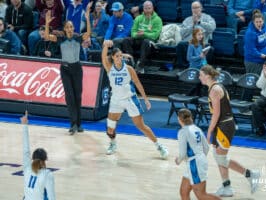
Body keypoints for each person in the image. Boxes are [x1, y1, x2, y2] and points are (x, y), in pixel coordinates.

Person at [199, 65, 260, 197]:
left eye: (201, 75)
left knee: (221, 158)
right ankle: (226, 187)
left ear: (208, 76)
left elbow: (216, 113)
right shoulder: (216, 86)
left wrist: (209, 131)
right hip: (221, 125)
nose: (199, 77)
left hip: (224, 126)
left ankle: (250, 174)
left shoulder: (214, 89)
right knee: (218, 156)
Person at [101, 40, 168, 159]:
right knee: (110, 128)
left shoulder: (129, 69)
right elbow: (103, 58)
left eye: (121, 56)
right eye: (117, 56)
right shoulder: (109, 68)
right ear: (113, 57)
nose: (120, 58)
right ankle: (113, 144)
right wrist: (106, 45)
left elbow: (137, 83)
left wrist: (146, 99)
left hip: (129, 99)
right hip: (116, 100)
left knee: (141, 126)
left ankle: (159, 146)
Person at [44, 2, 93, 134]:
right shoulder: (60, 38)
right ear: (65, 29)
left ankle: (79, 124)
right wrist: (47, 23)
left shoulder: (78, 38)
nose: (70, 29)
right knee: (69, 97)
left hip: (77, 69)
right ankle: (72, 124)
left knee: (78, 97)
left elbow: (88, 33)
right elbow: (47, 36)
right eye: (68, 27)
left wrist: (88, 19)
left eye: (71, 27)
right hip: (65, 69)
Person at [175, 108, 221, 200]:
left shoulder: (183, 132)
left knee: (201, 195)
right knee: (184, 192)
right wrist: (200, 157)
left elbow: (183, 153)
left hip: (194, 164)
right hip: (197, 162)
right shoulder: (197, 129)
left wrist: (178, 160)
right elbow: (206, 147)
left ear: (179, 119)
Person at [21, 111, 56, 200]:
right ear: (44, 160)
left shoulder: (27, 168)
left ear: (33, 159)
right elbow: (52, 197)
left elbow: (26, 150)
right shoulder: (47, 174)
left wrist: (24, 125)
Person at [122, 0, 162, 74]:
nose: (147, 10)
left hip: (150, 42)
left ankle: (141, 66)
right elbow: (133, 32)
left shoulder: (157, 19)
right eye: (145, 8)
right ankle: (130, 61)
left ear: (152, 8)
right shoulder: (138, 18)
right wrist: (137, 34)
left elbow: (155, 36)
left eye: (149, 8)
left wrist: (144, 34)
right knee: (126, 40)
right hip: (138, 39)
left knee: (146, 41)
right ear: (143, 9)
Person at [176, 1, 216, 69]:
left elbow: (212, 28)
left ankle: (203, 68)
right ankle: (184, 68)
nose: (195, 10)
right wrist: (192, 25)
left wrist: (200, 22)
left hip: (202, 43)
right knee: (180, 45)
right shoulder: (187, 20)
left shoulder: (207, 18)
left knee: (210, 49)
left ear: (201, 8)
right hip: (189, 43)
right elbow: (182, 33)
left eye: (197, 7)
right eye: (193, 8)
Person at [243, 9, 266, 101]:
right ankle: (244, 103)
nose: (259, 24)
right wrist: (263, 55)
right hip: (253, 61)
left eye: (261, 21)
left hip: (264, 59)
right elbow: (251, 50)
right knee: (250, 83)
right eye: (257, 22)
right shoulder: (250, 33)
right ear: (253, 22)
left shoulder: (265, 26)